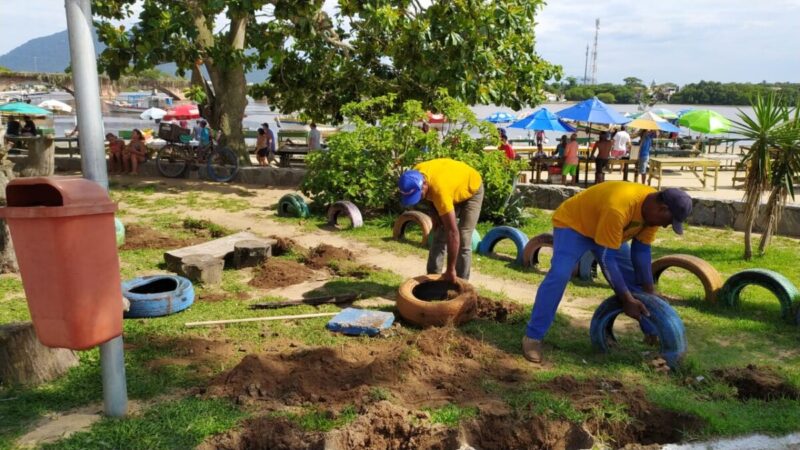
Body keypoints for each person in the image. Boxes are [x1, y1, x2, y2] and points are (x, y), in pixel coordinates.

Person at [521, 182, 693, 363]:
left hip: (607, 232)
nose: (665, 226)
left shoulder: (652, 211)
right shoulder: (619, 207)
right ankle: (533, 337)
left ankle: (652, 332)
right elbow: (606, 259)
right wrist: (626, 300)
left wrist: (649, 291)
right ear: (662, 208)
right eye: (668, 222)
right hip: (574, 226)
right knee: (560, 275)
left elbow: (641, 252)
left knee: (635, 281)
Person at [398, 158, 484, 282]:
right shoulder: (415, 174)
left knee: (463, 236)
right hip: (451, 185)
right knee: (438, 232)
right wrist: (434, 213)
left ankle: (461, 283)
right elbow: (428, 196)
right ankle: (432, 278)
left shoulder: (440, 191)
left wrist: (450, 269)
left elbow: (452, 232)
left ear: (424, 184)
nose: (418, 199)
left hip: (472, 188)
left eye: (418, 195)